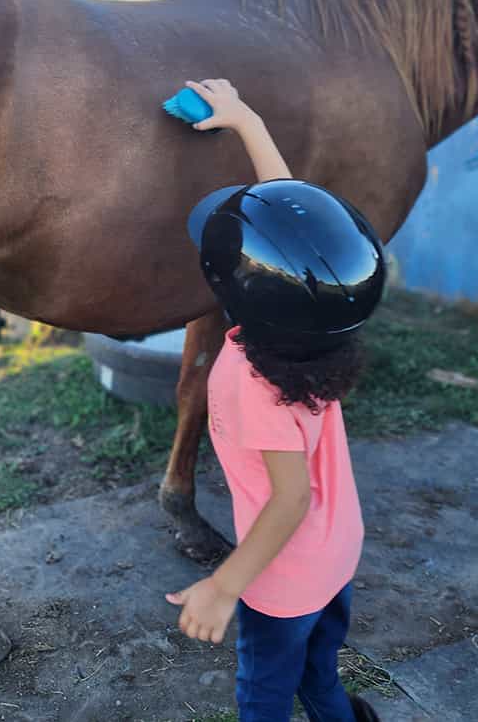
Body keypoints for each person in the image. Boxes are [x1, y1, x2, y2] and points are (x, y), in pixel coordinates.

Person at [165, 79, 385, 722]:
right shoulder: (323, 324)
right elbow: (295, 227)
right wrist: (246, 122)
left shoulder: (245, 377)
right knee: (320, 674)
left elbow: (291, 499)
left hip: (283, 582)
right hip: (338, 552)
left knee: (263, 693)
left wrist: (223, 585)